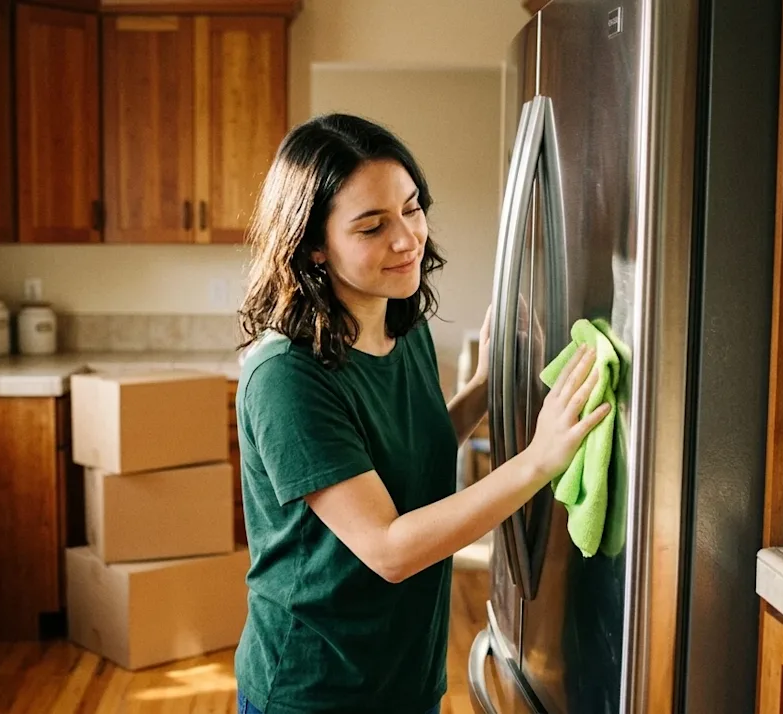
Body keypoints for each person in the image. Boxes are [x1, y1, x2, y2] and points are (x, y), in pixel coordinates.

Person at [232, 113, 610, 714]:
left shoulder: (398, 325)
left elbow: (405, 454)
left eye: (411, 208)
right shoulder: (287, 377)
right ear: (313, 248)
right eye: (372, 226)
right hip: (318, 691)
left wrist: (485, 388)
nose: (408, 239)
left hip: (404, 678)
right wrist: (538, 461)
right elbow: (389, 548)